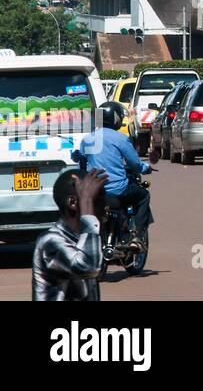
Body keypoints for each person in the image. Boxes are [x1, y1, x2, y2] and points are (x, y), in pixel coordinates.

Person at [78, 103, 153, 245]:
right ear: (115, 118)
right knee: (143, 196)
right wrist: (146, 167)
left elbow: (81, 164)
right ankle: (137, 236)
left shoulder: (87, 139)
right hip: (117, 189)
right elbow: (135, 164)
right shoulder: (120, 138)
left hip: (94, 191)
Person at [32, 167, 108, 301]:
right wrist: (86, 202)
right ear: (73, 203)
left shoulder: (81, 239)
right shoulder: (50, 241)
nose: (105, 208)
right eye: (98, 202)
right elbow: (89, 267)